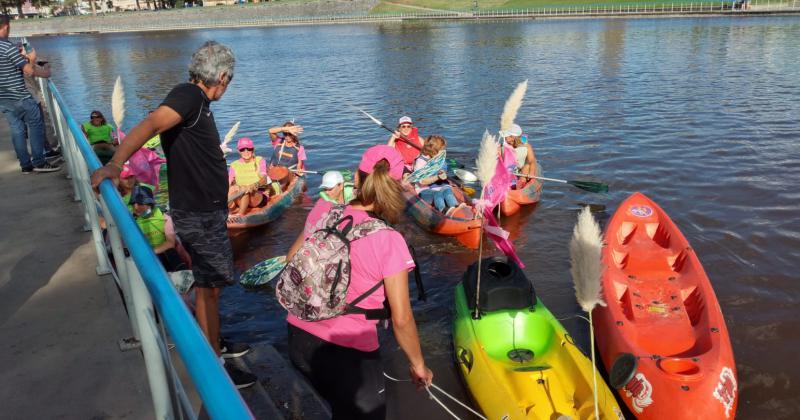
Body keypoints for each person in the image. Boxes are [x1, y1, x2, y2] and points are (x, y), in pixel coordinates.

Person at [90, 40, 255, 388]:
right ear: (222, 77)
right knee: (210, 287)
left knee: (212, 284)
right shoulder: (190, 97)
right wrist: (116, 164)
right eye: (230, 80)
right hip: (200, 214)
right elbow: (151, 124)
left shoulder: (197, 101)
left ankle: (212, 341)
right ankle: (213, 364)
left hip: (203, 211)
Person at [284, 145, 433, 420]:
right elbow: (401, 319)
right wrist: (419, 365)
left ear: (356, 177)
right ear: (396, 188)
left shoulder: (325, 213)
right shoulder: (389, 240)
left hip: (299, 336)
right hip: (349, 354)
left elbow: (292, 258)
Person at [0, 15, 61, 174]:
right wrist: (30, 58)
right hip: (21, 96)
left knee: (17, 130)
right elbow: (28, 70)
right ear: (6, 27)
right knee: (36, 127)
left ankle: (26, 165)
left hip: (4, 98)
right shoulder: (8, 47)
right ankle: (39, 162)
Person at [410, 135, 460, 214]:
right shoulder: (421, 161)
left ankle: (456, 208)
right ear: (434, 150)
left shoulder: (439, 159)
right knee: (438, 194)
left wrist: (442, 173)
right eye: (441, 149)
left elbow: (442, 171)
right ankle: (443, 210)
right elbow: (422, 181)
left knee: (448, 191)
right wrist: (437, 177)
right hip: (424, 190)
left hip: (439, 186)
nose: (443, 151)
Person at [228, 137, 270, 217]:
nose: (246, 152)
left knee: (244, 189)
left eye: (248, 149)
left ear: (253, 149)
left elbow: (264, 179)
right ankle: (230, 210)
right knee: (232, 188)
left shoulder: (260, 160)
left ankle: (240, 215)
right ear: (239, 151)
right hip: (241, 194)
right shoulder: (234, 165)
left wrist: (254, 185)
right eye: (242, 149)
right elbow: (228, 184)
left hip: (258, 195)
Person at [500, 123, 536, 189]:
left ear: (512, 137)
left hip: (522, 169)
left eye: (505, 136)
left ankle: (521, 184)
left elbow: (532, 161)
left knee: (526, 166)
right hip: (509, 170)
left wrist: (531, 172)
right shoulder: (503, 146)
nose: (504, 137)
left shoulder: (526, 146)